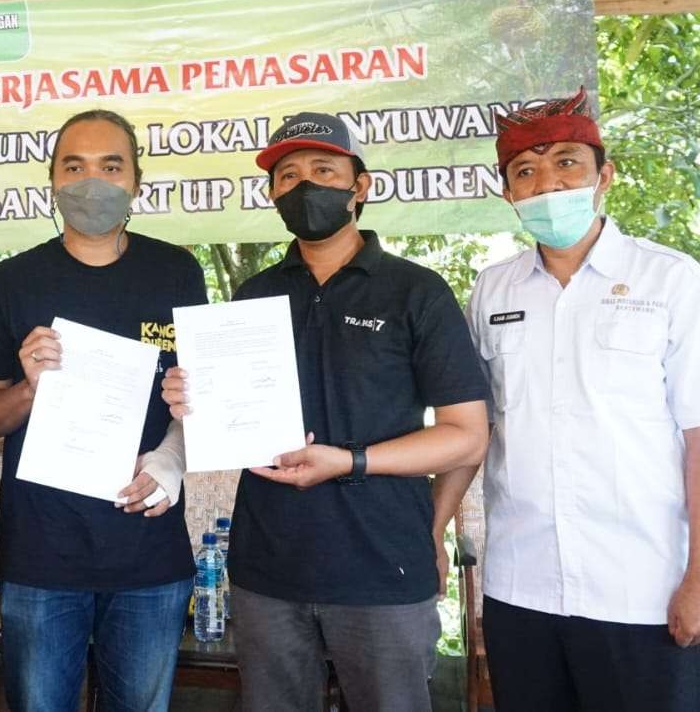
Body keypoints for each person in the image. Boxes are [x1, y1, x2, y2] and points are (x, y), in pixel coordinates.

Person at [439, 87, 700, 711]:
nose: (546, 183)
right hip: (521, 585)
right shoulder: (492, 290)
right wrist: (433, 525)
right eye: (525, 172)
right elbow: (472, 429)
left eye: (567, 163)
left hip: (642, 587)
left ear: (603, 176)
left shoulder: (669, 279)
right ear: (508, 192)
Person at [161, 112, 491, 712]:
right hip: (267, 572)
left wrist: (356, 467)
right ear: (273, 195)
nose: (305, 185)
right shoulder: (253, 295)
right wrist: (191, 399)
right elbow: (223, 418)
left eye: (323, 170)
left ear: (359, 186)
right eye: (288, 175)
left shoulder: (416, 291)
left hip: (383, 568)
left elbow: (467, 436)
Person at [0, 109, 205, 712]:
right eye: (74, 166)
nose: (91, 181)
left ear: (136, 181)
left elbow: (197, 400)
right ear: (52, 181)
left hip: (149, 553)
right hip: (41, 558)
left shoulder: (176, 271)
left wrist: (170, 461)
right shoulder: (9, 282)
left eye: (110, 166)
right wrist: (27, 388)